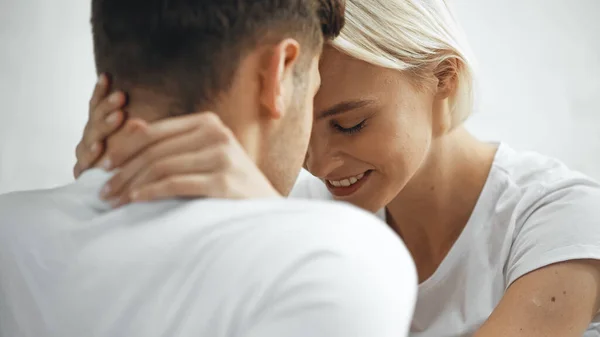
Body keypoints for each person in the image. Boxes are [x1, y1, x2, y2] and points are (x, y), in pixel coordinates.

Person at [76, 0, 600, 336]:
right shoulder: (307, 210)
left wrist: (266, 219)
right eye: (303, 128)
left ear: (443, 78)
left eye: (350, 125)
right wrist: (106, 190)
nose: (321, 163)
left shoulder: (562, 220)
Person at [0, 1, 419, 337]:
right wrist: (271, 219)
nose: (318, 161)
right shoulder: (341, 257)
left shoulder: (12, 230)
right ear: (278, 73)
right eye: (311, 93)